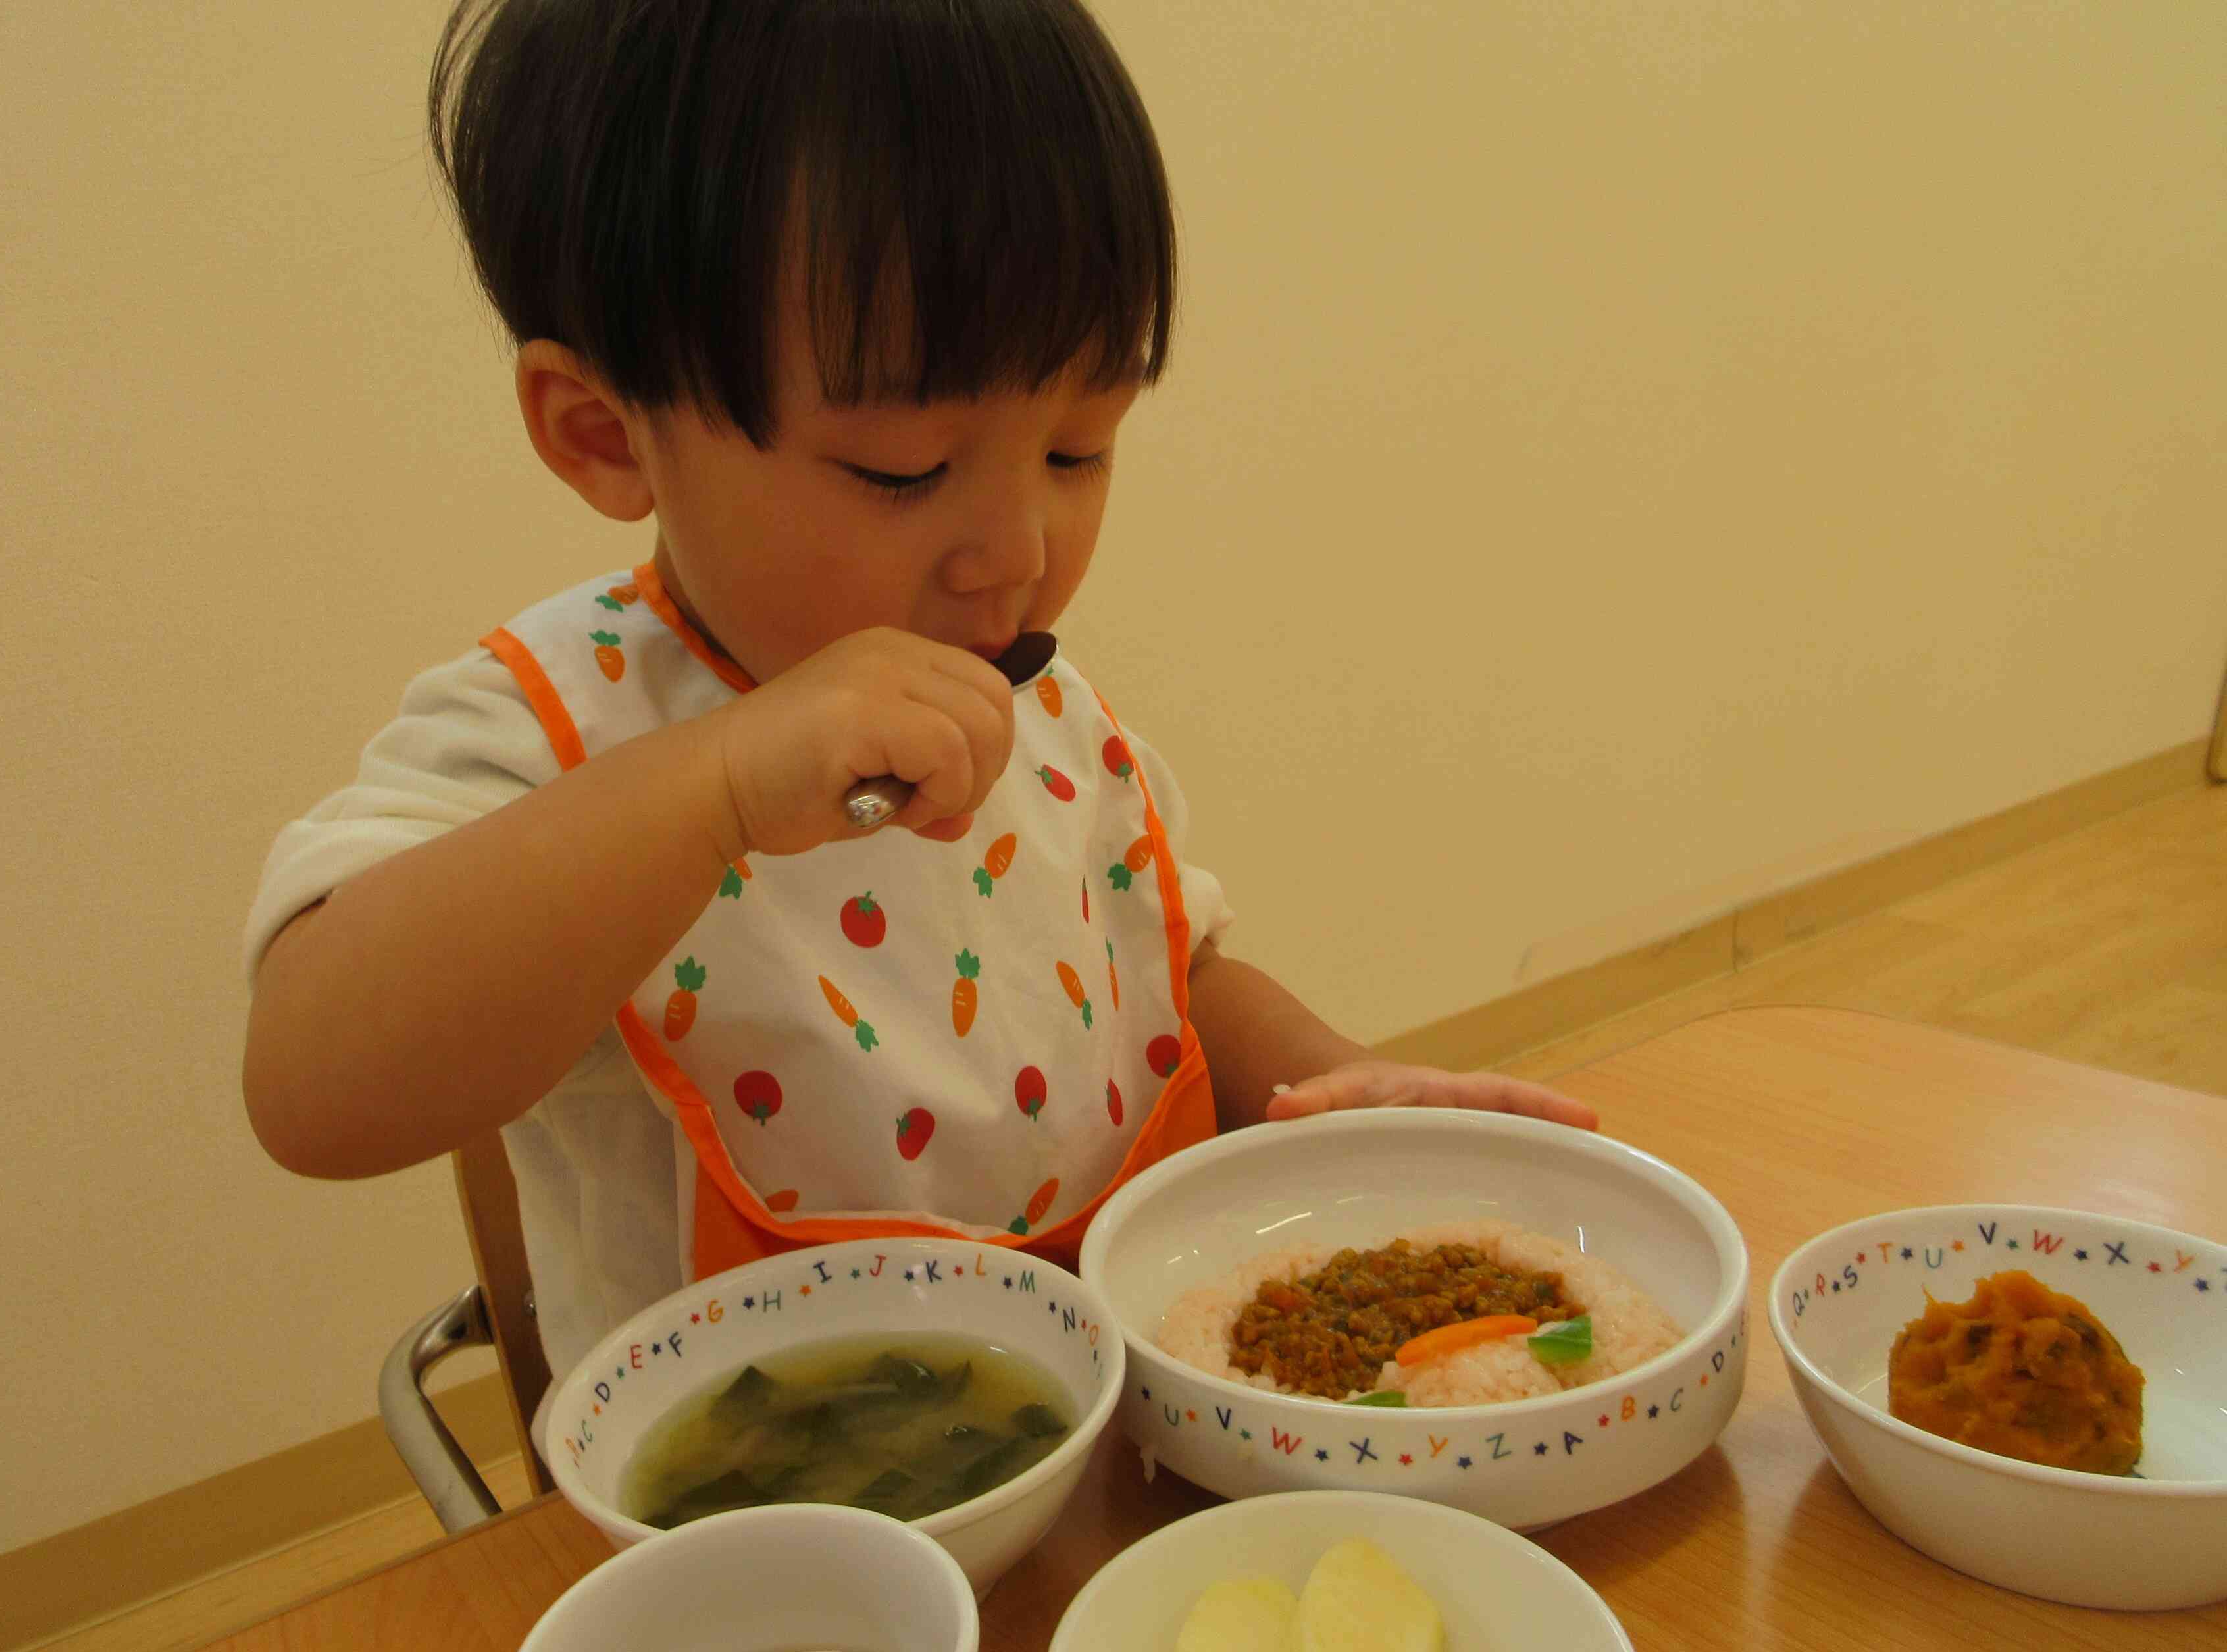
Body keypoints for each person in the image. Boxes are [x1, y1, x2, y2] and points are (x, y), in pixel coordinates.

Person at [241, 0, 1596, 1384]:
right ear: (604, 431)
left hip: (1127, 1447)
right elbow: (313, 1090)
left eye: (1078, 448)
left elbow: (1170, 976)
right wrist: (712, 787)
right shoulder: (551, 732)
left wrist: (1335, 1095)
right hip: (770, 1534)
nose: (1016, 552)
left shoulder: (1034, 708)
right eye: (902, 470)